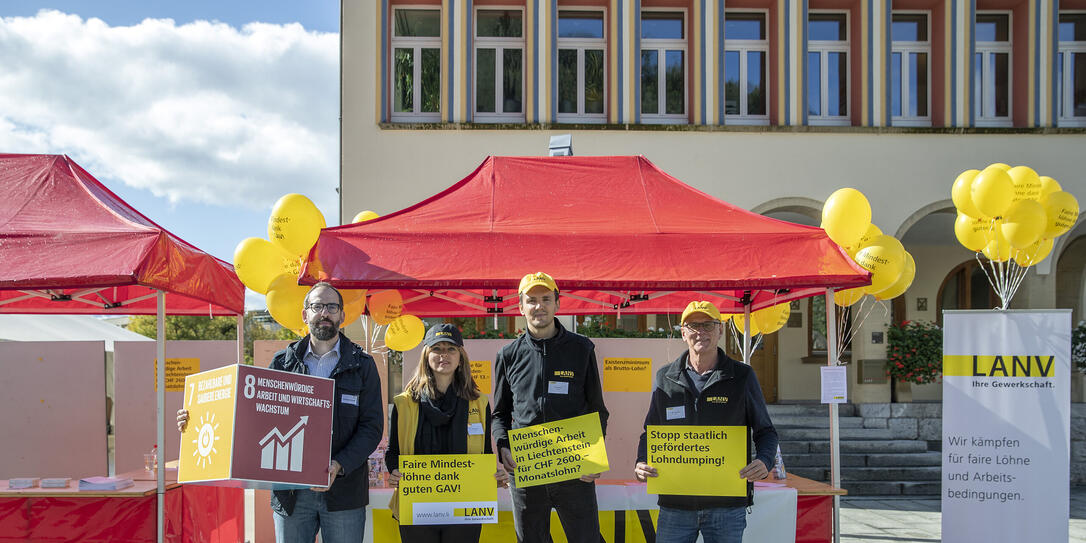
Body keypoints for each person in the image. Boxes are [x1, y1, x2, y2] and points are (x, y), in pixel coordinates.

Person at [178, 282, 384, 543]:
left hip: (344, 492)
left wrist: (338, 465)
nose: (325, 313)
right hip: (291, 496)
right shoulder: (282, 362)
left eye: (332, 307)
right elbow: (252, 418)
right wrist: (195, 420)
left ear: (342, 316)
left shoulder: (362, 365)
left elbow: (372, 427)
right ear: (305, 314)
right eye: (317, 306)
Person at [633, 300, 779, 543]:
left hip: (726, 506)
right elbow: (650, 432)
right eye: (693, 325)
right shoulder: (665, 377)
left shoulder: (741, 376)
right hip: (675, 504)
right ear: (683, 333)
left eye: (708, 325)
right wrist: (641, 461)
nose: (701, 332)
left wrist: (764, 460)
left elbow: (766, 431)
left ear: (720, 330)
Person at [492, 271, 609, 543]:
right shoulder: (508, 356)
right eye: (531, 300)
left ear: (557, 304)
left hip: (575, 472)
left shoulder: (581, 349)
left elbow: (597, 410)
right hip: (527, 473)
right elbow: (499, 414)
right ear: (520, 307)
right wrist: (503, 445)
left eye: (546, 299)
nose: (539, 306)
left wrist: (594, 453)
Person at [385, 323, 508, 542]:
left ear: (460, 356)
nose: (444, 355)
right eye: (437, 348)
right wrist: (394, 470)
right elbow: (393, 451)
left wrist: (493, 475)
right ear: (426, 355)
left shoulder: (479, 403)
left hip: (466, 506)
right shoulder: (403, 404)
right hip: (417, 506)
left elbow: (485, 454)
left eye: (451, 349)